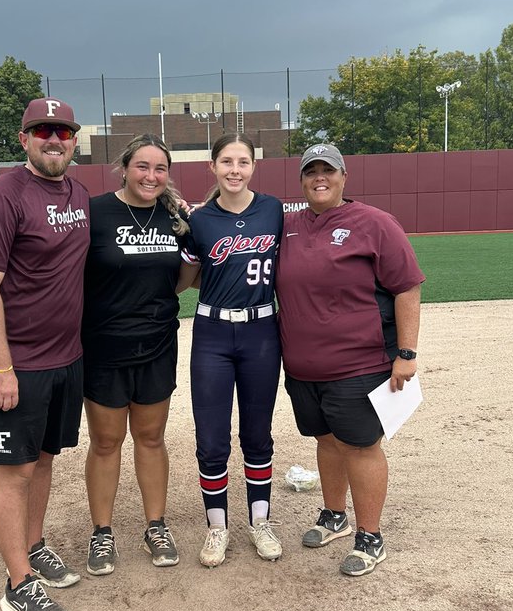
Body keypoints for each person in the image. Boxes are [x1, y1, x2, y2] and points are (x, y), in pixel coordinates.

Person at [0, 97, 89, 611]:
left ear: (74, 140)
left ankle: (33, 545)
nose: (54, 140)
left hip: (67, 358)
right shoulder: (1, 198)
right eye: (43, 132)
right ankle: (18, 584)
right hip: (16, 364)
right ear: (24, 140)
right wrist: (1, 366)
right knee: (13, 470)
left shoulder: (79, 194)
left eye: (62, 132)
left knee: (43, 459)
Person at [276, 143, 424, 577]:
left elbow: (407, 288)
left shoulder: (375, 224)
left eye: (328, 170)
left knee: (360, 447)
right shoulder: (288, 226)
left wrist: (407, 353)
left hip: (358, 364)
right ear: (301, 180)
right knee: (325, 440)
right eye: (311, 171)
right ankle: (334, 515)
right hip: (303, 366)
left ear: (344, 176)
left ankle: (370, 536)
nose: (319, 178)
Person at [81, 134, 191, 576]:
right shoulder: (95, 213)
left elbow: (182, 279)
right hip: (104, 344)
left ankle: (155, 526)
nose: (151, 176)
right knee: (106, 442)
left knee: (151, 438)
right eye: (142, 167)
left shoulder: (176, 218)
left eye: (160, 169)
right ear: (124, 168)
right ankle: (102, 532)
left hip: (158, 342)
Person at [180, 134, 284, 568]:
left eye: (243, 161)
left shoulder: (274, 210)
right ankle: (217, 527)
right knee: (211, 438)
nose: (235, 169)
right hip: (213, 333)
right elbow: (184, 279)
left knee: (257, 435)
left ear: (253, 166)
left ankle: (260, 521)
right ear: (213, 166)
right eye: (227, 161)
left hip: (262, 331)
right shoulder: (200, 221)